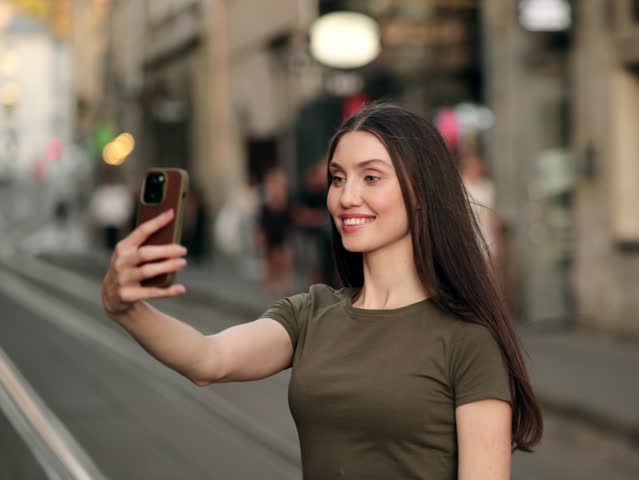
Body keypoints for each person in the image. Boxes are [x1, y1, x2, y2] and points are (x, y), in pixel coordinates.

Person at [100, 103, 542, 479]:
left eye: (371, 178)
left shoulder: (467, 339)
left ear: (420, 192)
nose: (346, 197)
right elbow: (207, 360)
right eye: (337, 178)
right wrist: (125, 308)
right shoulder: (311, 313)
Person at [256, 168, 293, 296]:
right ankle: (272, 289)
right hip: (270, 238)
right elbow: (261, 224)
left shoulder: (286, 203)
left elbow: (291, 221)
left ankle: (282, 288)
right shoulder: (265, 206)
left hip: (283, 238)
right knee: (271, 264)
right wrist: (260, 236)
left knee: (283, 262)